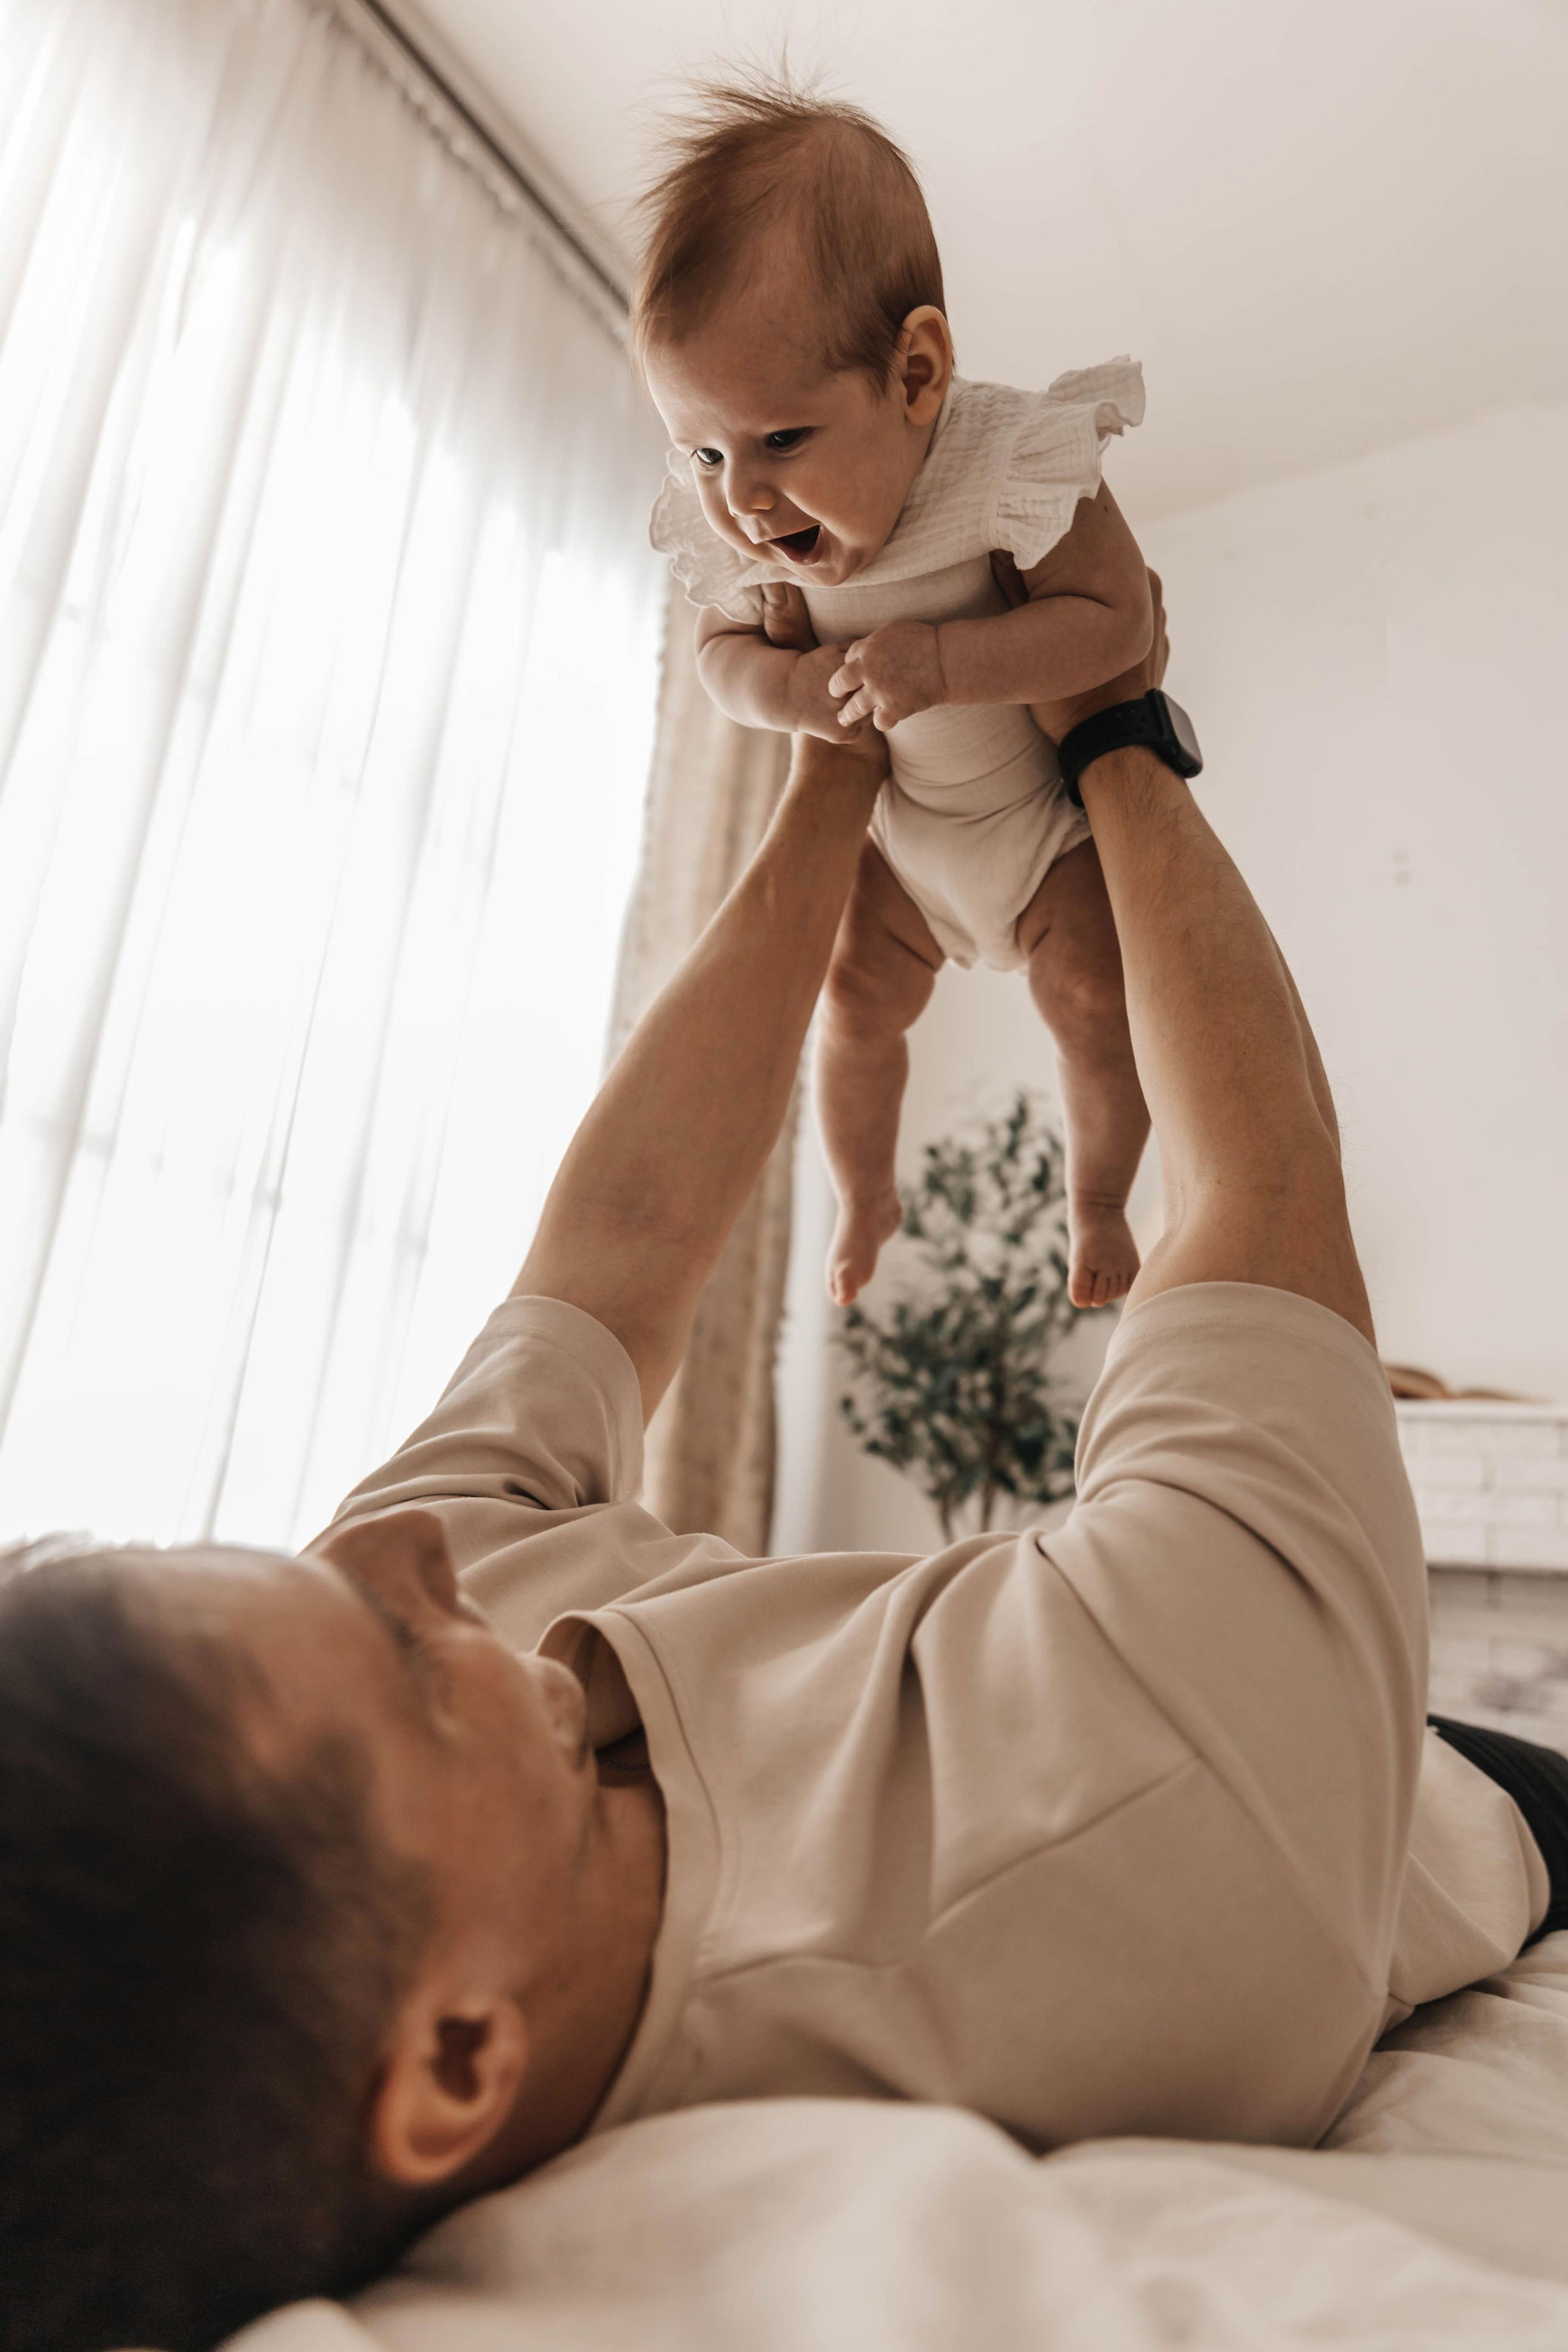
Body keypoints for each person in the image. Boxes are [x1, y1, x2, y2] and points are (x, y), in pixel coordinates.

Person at [1, 583, 1561, 2352]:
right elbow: (1259, 1194)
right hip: (1468, 1795)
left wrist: (835, 764)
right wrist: (1122, 721)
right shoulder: (1132, 1843)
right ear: (454, 2058)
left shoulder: (381, 1624)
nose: (401, 1566)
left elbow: (618, 1246)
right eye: (400, 1672)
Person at [640, 81, 1155, 1311]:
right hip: (900, 848)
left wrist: (943, 664)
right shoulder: (746, 543)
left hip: (1042, 840)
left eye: (776, 442)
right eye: (701, 452)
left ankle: (1097, 1201)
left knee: (1096, 1002)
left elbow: (1118, 624)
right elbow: (719, 665)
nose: (740, 506)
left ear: (915, 373)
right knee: (851, 1006)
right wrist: (793, 690)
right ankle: (863, 1189)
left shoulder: (1010, 470)